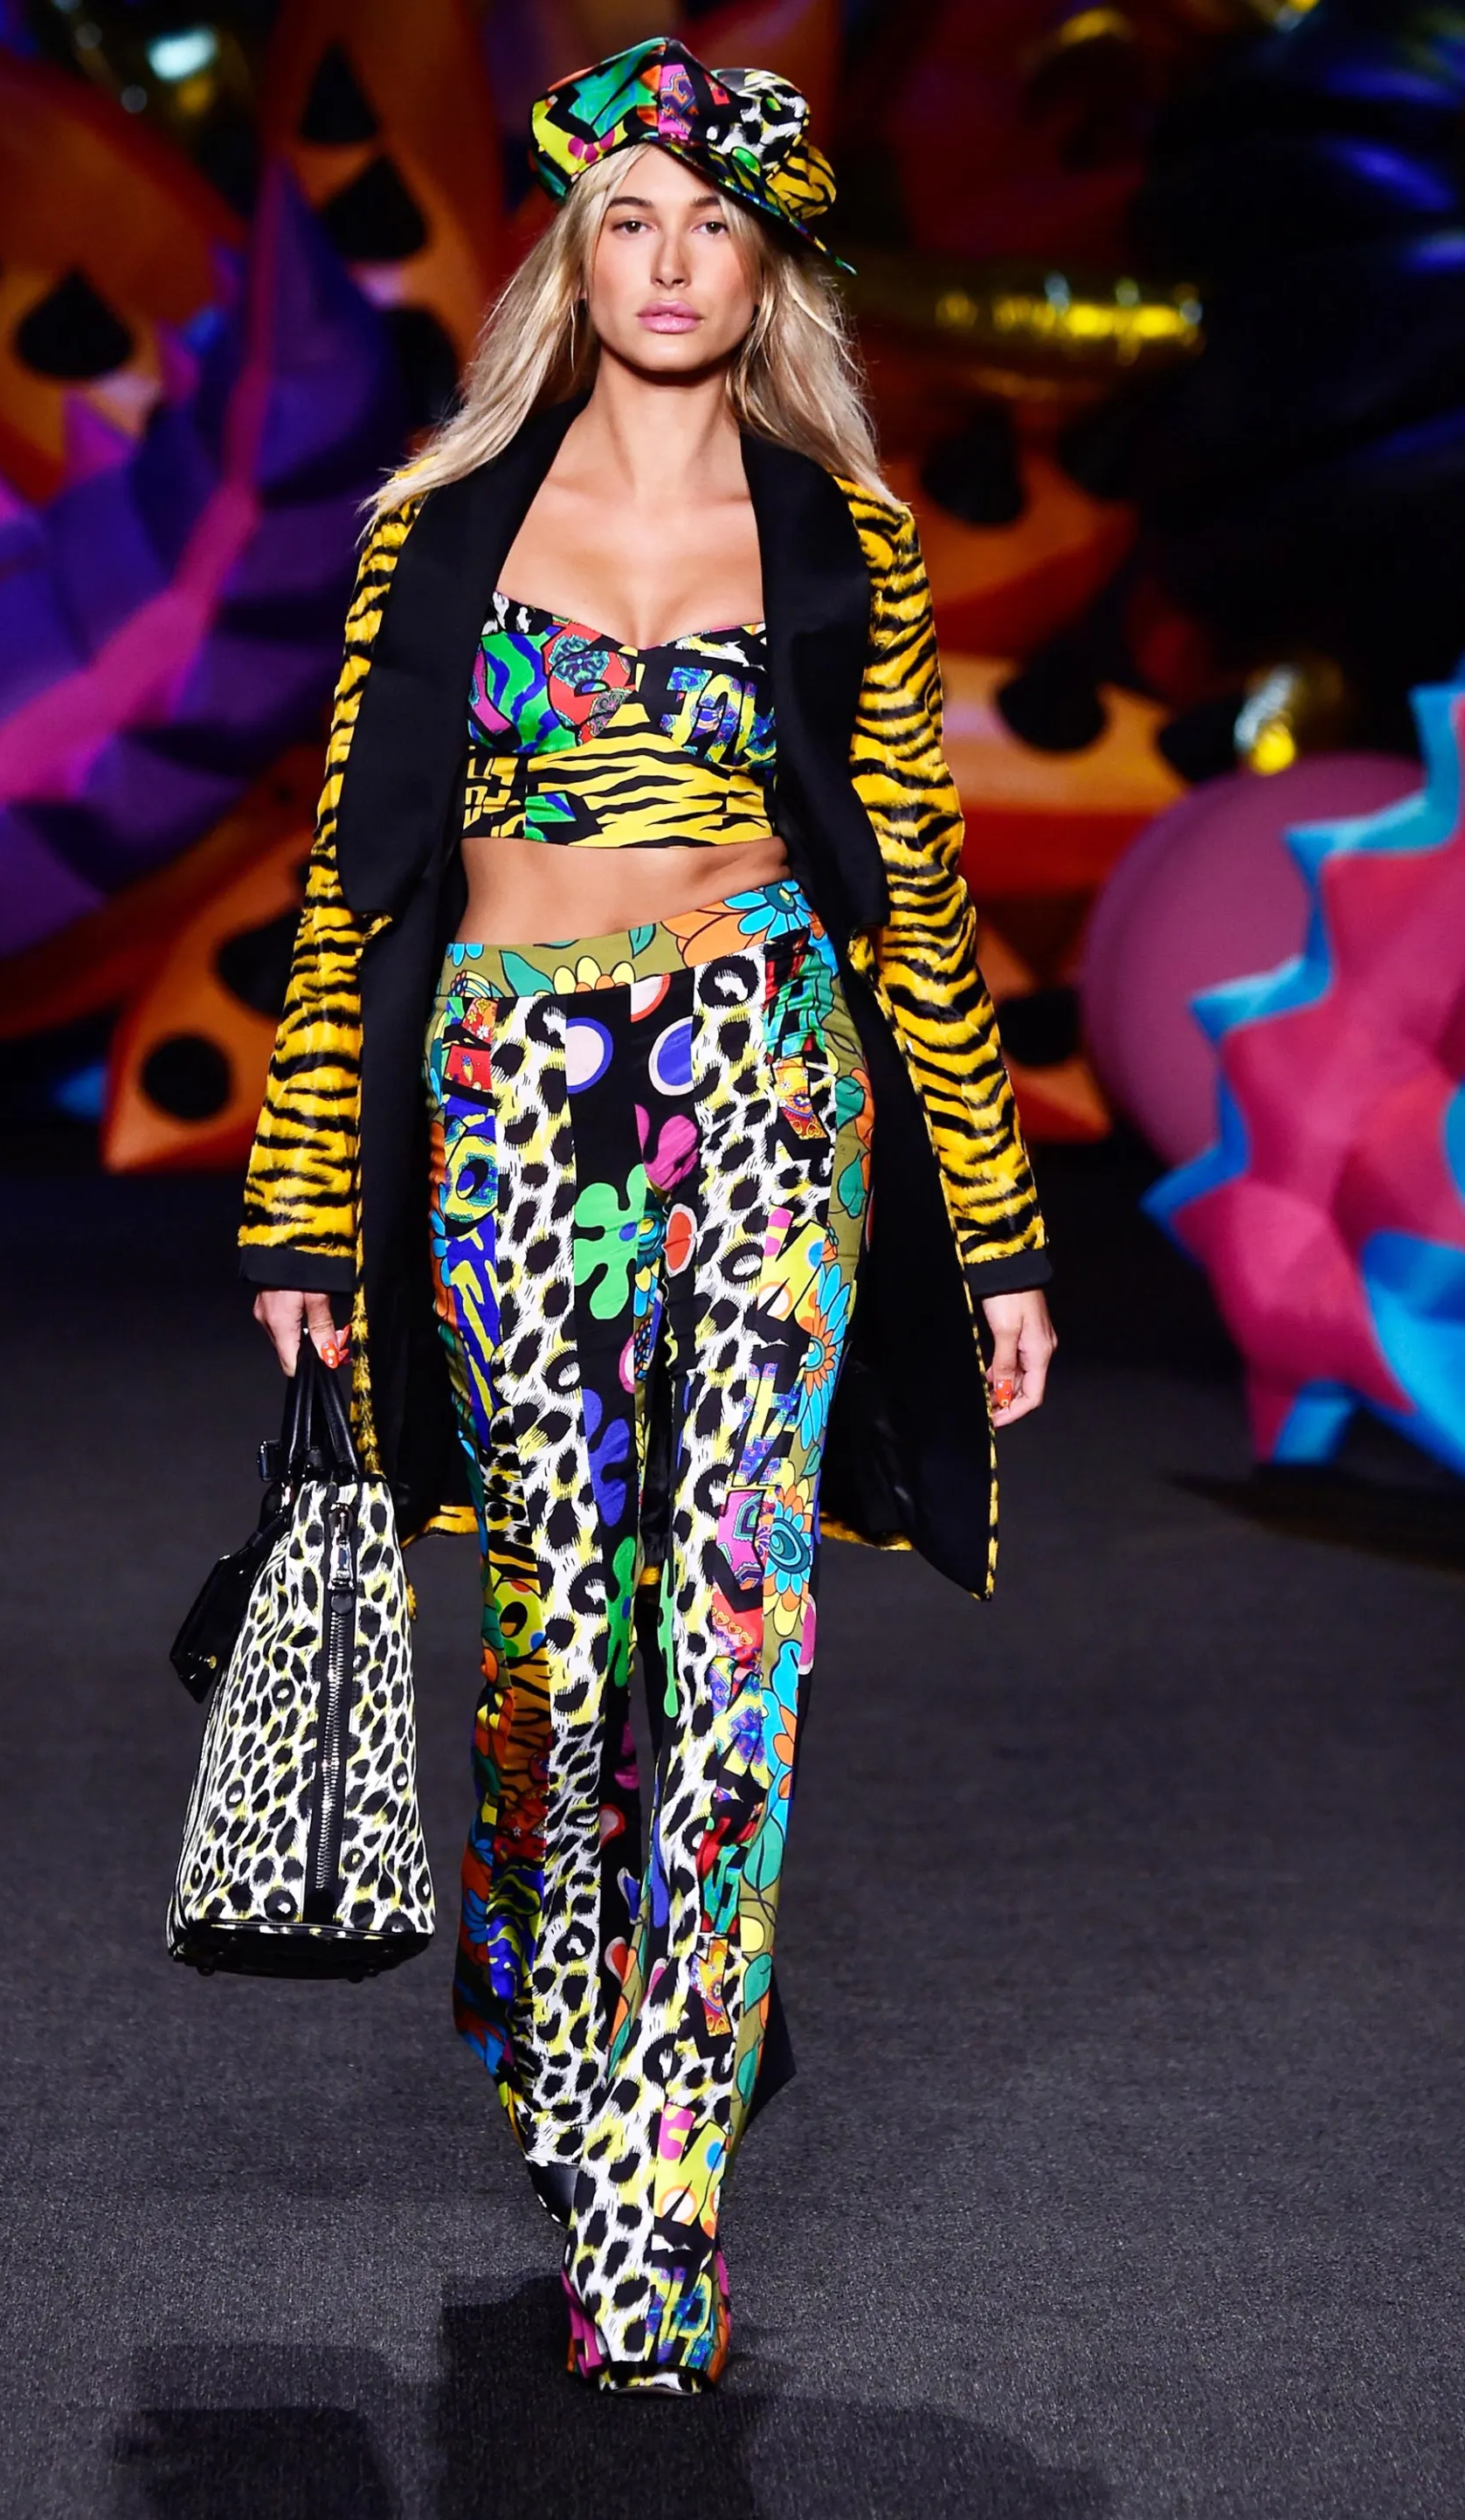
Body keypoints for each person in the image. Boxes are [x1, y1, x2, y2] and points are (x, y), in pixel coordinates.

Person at [240, 37, 1056, 2393]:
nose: (673, 261)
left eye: (715, 224)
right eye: (630, 219)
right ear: (571, 262)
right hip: (507, 1089)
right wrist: (301, 1208)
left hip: (768, 1075)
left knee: (731, 1631)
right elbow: (353, 891)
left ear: (768, 272)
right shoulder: (439, 531)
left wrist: (998, 1233)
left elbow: (914, 892)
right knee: (558, 1638)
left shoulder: (843, 543)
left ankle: (655, 2195)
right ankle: (555, 2011)